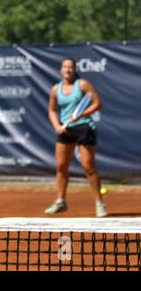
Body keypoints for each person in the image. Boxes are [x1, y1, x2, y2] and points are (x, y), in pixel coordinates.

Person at [44, 58, 107, 218]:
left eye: (70, 67)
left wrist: (81, 114)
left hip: (84, 127)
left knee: (88, 166)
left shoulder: (83, 85)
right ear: (61, 70)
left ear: (74, 70)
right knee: (61, 167)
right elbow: (51, 110)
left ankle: (99, 203)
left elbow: (97, 103)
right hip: (65, 129)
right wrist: (56, 126)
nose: (68, 70)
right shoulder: (55, 89)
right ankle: (60, 201)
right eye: (65, 67)